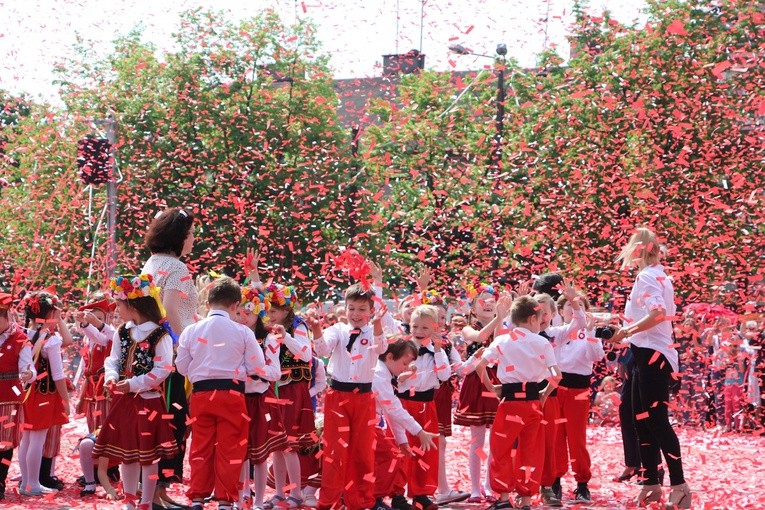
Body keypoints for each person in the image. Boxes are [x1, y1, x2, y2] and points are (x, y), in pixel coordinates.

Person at [609, 228, 692, 508]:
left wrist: (626, 330)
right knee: (639, 418)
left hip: (652, 355)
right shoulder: (659, 275)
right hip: (646, 352)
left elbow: (657, 314)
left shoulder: (647, 276)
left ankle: (679, 485)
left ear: (636, 251)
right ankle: (651, 482)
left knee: (654, 420)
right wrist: (626, 329)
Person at [175, 276, 265, 510]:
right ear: (235, 305)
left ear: (208, 303)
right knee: (230, 447)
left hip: (201, 395)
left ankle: (197, 498)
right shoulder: (243, 332)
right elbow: (258, 367)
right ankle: (225, 500)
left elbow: (182, 368)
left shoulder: (191, 331)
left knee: (200, 446)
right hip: (232, 394)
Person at [93, 274, 179, 510]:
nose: (117, 309)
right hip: (125, 402)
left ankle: (146, 502)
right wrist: (111, 377)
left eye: (119, 304)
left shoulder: (160, 334)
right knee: (126, 453)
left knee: (148, 456)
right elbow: (113, 359)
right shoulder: (122, 331)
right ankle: (130, 500)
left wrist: (133, 384)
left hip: (148, 402)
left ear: (132, 305)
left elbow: (163, 369)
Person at [475, 295, 561, 510]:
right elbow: (557, 375)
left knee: (501, 449)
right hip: (532, 402)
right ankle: (526, 500)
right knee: (531, 450)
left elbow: (480, 366)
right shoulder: (542, 342)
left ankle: (504, 498)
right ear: (533, 319)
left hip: (510, 401)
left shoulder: (503, 339)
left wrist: (491, 388)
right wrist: (544, 392)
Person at [309, 283, 389, 510]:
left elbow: (382, 349)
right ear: (345, 308)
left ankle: (361, 501)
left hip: (364, 397)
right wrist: (316, 329)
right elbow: (322, 350)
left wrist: (377, 326)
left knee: (363, 451)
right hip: (338, 396)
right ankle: (329, 500)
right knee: (335, 450)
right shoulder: (338, 330)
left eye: (362, 309)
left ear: (371, 310)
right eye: (351, 308)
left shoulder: (374, 330)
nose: (356, 314)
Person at [142, 207, 198, 509]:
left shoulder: (150, 263)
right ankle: (158, 491)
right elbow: (171, 310)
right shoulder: (177, 268)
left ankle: (156, 491)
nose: (192, 240)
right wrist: (186, 345)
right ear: (179, 236)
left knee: (157, 420)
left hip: (150, 352)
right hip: (173, 354)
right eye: (190, 234)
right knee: (174, 419)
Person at [235, 284, 289, 510]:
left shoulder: (268, 338)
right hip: (237, 399)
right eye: (240, 312)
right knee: (238, 452)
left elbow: (275, 373)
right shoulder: (232, 334)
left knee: (259, 454)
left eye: (250, 311)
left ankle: (257, 501)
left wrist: (255, 371)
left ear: (260, 312)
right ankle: (240, 498)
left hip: (259, 399)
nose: (244, 317)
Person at [548, 290, 604, 503]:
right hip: (555, 389)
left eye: (578, 306)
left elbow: (596, 356)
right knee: (556, 437)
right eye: (568, 306)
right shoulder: (555, 332)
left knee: (576, 438)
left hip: (578, 390)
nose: (573, 310)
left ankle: (582, 483)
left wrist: (591, 333)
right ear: (560, 311)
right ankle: (555, 481)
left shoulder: (589, 332)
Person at [395, 304, 452, 510]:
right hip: (403, 403)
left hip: (427, 404)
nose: (418, 332)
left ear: (435, 329)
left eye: (425, 328)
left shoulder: (438, 350)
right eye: (415, 327)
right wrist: (402, 376)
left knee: (426, 451)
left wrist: (437, 350)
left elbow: (445, 376)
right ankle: (397, 494)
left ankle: (422, 493)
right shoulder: (401, 347)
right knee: (402, 448)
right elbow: (392, 374)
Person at [453, 284, 505, 503]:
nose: (488, 303)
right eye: (482, 300)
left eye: (491, 300)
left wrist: (504, 316)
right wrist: (500, 317)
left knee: (496, 439)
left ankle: (489, 484)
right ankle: (475, 487)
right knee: (477, 440)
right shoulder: (467, 328)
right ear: (473, 308)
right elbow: (480, 336)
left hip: (499, 382)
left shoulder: (502, 324)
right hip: (476, 383)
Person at [373, 338, 438, 510]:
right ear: (389, 357)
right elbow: (393, 409)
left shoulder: (385, 373)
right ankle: (373, 500)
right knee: (387, 456)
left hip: (371, 423)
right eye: (404, 363)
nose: (405, 369)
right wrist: (419, 432)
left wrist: (402, 440)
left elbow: (391, 411)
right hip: (365, 424)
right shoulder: (379, 375)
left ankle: (374, 499)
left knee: (389, 454)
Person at [19, 291, 69, 497]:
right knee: (37, 440)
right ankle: (32, 484)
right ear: (50, 313)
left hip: (26, 393)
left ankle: (27, 483)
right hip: (44, 395)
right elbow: (58, 375)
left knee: (27, 439)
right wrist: (66, 400)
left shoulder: (23, 333)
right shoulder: (51, 340)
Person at [0, 292, 35, 500]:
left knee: (4, 443)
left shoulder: (21, 339)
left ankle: (0, 481)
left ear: (7, 316)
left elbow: (27, 366)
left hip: (9, 395)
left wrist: (29, 373)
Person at [74, 296, 116, 433]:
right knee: (91, 425)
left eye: (99, 319)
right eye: (93, 319)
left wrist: (89, 324)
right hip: (90, 388)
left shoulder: (111, 337)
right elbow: (83, 367)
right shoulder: (88, 341)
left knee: (102, 427)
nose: (96, 323)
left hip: (103, 389)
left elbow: (101, 337)